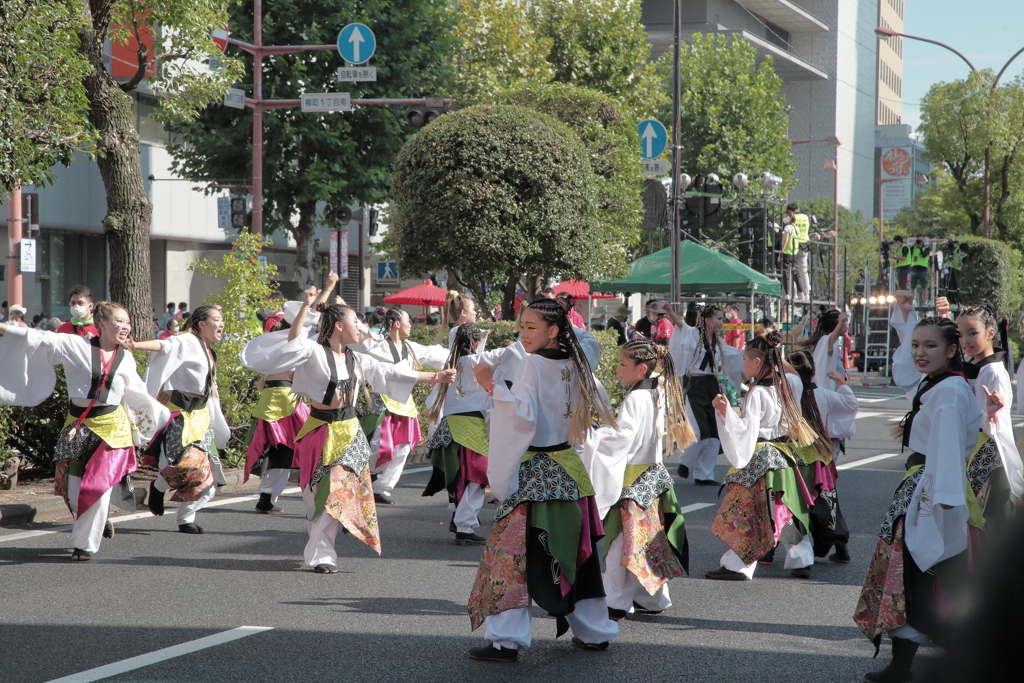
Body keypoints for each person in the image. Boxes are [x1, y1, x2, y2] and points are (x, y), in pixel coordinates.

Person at [242, 289, 456, 573]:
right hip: (320, 431)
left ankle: (324, 555)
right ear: (339, 326)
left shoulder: (357, 358)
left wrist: (436, 376)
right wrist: (306, 306)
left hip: (350, 433)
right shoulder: (313, 352)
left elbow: (392, 373)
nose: (360, 326)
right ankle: (319, 544)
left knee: (337, 493)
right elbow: (294, 343)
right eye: (355, 321)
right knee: (315, 496)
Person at [853, 292, 996, 683]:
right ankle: (907, 664)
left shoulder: (948, 391)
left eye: (930, 346)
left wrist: (941, 506)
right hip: (925, 487)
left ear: (951, 350)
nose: (919, 352)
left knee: (925, 577)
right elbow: (904, 374)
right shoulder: (938, 383)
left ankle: (958, 657)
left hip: (932, 490)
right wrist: (907, 316)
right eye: (916, 344)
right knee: (921, 578)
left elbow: (947, 451)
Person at [466, 297, 619, 662]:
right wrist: (563, 316)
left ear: (553, 331)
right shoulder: (579, 359)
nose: (524, 334)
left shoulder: (533, 364)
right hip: (570, 470)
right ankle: (595, 631)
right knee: (577, 554)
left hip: (536, 473)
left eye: (531, 327)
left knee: (511, 554)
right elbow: (588, 344)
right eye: (522, 326)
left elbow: (520, 418)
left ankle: (506, 640)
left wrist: (490, 385)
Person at [0, 302, 167, 560]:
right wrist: (4, 328)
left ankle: (84, 544)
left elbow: (138, 393)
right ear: (101, 325)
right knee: (73, 489)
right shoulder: (75, 345)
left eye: (127, 322)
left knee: (98, 485)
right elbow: (37, 337)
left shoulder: (126, 358)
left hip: (113, 429)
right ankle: (96, 520)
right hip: (77, 425)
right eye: (118, 321)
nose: (125, 327)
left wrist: (160, 417)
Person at [583, 337, 693, 621]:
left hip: (632, 477)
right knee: (646, 541)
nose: (618, 369)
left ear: (641, 368)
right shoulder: (658, 391)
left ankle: (616, 602)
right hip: (653, 476)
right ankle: (653, 598)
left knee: (620, 542)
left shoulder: (635, 397)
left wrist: (595, 434)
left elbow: (624, 437)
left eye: (622, 364)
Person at [704, 331, 817, 581]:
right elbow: (794, 373)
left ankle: (738, 564)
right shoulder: (790, 384)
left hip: (761, 456)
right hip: (785, 455)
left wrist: (724, 411)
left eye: (745, 358)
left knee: (748, 509)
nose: (742, 363)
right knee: (783, 507)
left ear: (757, 362)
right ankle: (802, 557)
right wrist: (775, 350)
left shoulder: (757, 393)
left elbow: (747, 430)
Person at [130, 305, 231, 535]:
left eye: (222, 319)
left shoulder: (208, 350)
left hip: (202, 417)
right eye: (216, 319)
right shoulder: (189, 341)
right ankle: (159, 486)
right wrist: (135, 345)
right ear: (202, 324)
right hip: (181, 415)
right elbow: (165, 345)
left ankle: (186, 519)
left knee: (208, 481)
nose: (221, 323)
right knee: (184, 464)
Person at [241, 283, 337, 514]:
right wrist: (325, 292)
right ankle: (274, 497)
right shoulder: (294, 344)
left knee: (281, 451)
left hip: (271, 400)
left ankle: (267, 497)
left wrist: (327, 289)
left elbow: (312, 314)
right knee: (297, 448)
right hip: (286, 401)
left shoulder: (274, 345)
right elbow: (312, 317)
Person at [936, 297, 1024, 529]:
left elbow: (994, 423)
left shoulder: (992, 371)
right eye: (961, 334)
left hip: (986, 455)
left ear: (990, 333)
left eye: (973, 333)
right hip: (974, 450)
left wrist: (991, 415)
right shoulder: (976, 365)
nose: (965, 341)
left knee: (991, 520)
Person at [422, 322, 508, 544]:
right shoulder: (481, 361)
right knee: (477, 476)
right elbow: (510, 353)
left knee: (460, 476)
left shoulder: (449, 364)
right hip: (471, 427)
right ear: (475, 343)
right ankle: (464, 526)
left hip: (448, 426)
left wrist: (482, 338)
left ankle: (460, 521)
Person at [356, 306, 449, 506]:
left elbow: (435, 353)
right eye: (408, 321)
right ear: (397, 324)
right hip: (382, 402)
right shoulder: (377, 344)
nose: (411, 325)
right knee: (376, 445)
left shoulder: (411, 348)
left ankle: (382, 488)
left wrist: (460, 353)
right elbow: (359, 338)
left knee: (403, 449)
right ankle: (364, 476)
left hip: (404, 404)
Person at [787, 350, 859, 564]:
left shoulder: (786, 396)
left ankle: (771, 552)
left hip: (793, 455)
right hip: (820, 456)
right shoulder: (825, 395)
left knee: (788, 502)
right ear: (814, 370)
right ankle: (840, 547)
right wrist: (843, 384)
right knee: (827, 501)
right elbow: (850, 405)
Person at [662, 302, 744, 486]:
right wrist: (669, 311)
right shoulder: (694, 334)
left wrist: (757, 352)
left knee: (714, 433)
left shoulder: (718, 342)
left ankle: (704, 475)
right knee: (699, 431)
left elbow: (735, 354)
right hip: (697, 386)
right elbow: (681, 324)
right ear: (707, 320)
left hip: (712, 387)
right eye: (719, 318)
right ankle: (685, 462)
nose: (722, 322)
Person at [799, 309, 848, 391]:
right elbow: (831, 338)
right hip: (824, 390)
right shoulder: (825, 340)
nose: (846, 326)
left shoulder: (823, 340)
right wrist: (840, 324)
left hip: (823, 389)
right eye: (844, 323)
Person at [908, 234, 932, 305]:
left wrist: (920, 248)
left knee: (924, 287)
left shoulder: (926, 248)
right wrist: (913, 245)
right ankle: (911, 302)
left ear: (924, 240)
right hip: (914, 269)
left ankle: (924, 302)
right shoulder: (914, 248)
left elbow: (924, 255)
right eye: (918, 239)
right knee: (912, 287)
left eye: (921, 239)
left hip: (922, 269)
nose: (920, 241)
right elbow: (909, 253)